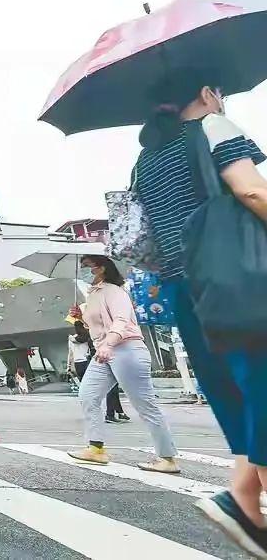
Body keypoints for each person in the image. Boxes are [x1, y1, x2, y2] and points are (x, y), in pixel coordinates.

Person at [134, 82, 267, 555]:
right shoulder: (213, 125)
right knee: (262, 387)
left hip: (185, 288)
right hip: (239, 277)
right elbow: (252, 190)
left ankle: (243, 498)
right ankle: (242, 499)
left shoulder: (144, 160)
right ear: (208, 92)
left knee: (236, 392)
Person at [66, 255, 180, 474]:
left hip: (126, 349)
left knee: (145, 405)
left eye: (86, 265)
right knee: (88, 395)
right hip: (104, 351)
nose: (83, 269)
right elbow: (97, 326)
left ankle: (168, 458)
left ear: (101, 268)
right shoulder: (94, 294)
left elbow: (121, 321)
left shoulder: (115, 292)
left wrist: (109, 344)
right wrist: (80, 317)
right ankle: (96, 449)